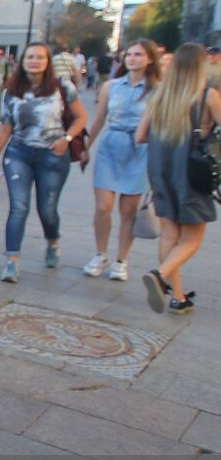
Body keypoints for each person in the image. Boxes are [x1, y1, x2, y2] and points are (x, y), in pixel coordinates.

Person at [0, 41, 89, 282]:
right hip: (19, 153)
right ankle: (12, 261)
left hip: (52, 154)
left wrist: (67, 138)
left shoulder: (62, 86)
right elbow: (6, 125)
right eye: (30, 57)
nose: (34, 61)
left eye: (40, 57)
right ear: (22, 61)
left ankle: (53, 242)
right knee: (19, 207)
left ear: (47, 62)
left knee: (47, 209)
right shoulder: (11, 90)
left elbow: (81, 117)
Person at [137, 42, 221, 314]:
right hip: (192, 176)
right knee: (191, 239)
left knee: (169, 236)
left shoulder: (159, 95)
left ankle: (178, 297)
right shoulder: (208, 96)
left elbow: (140, 136)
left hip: (161, 173)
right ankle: (160, 276)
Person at [83, 39, 160, 281]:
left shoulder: (158, 90)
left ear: (149, 59)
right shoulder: (111, 86)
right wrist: (86, 148)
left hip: (139, 151)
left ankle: (121, 260)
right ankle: (100, 253)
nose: (132, 58)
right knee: (103, 207)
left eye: (138, 55)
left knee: (128, 211)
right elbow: (99, 119)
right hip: (110, 147)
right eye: (129, 54)